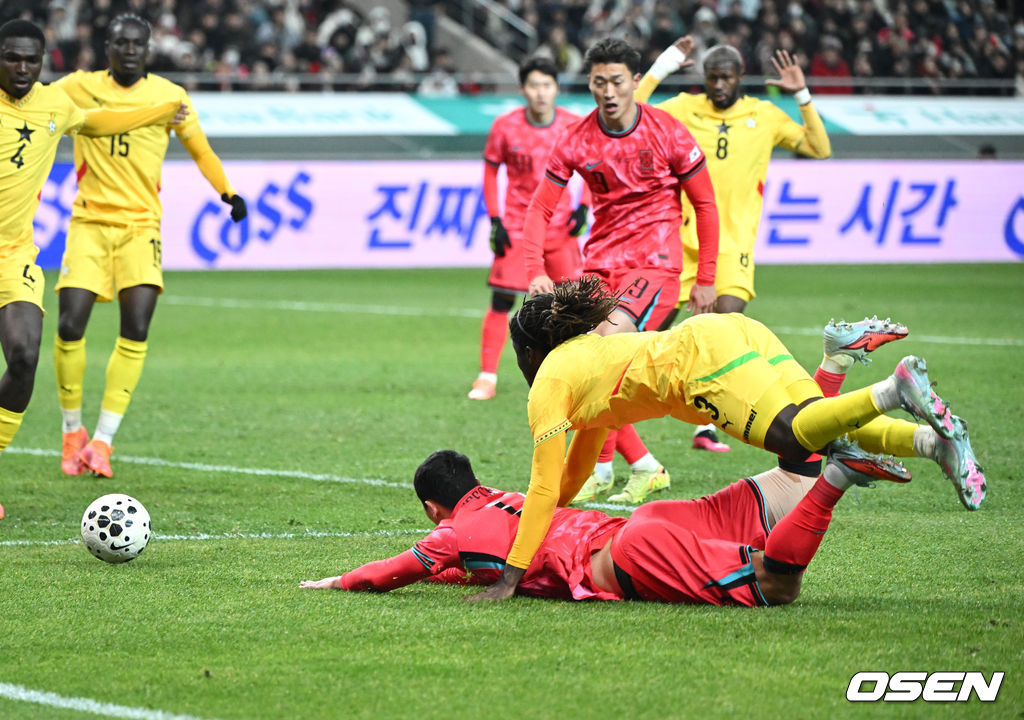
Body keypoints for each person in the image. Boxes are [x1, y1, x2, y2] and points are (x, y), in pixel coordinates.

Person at [463, 276, 986, 602]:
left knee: (797, 440)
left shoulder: (550, 382)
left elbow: (541, 488)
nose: (520, 368)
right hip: (733, 330)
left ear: (530, 353)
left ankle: (893, 388)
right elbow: (569, 478)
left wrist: (511, 576)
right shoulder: (584, 366)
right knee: (823, 419)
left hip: (699, 364)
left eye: (517, 359)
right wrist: (560, 517)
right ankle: (935, 442)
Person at [299, 442, 913, 606]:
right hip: (641, 523)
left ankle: (837, 477)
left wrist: (337, 581)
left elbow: (391, 574)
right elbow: (463, 571)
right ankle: (830, 373)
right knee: (775, 496)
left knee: (778, 587)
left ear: (435, 508)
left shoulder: (451, 533)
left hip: (632, 559)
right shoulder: (514, 497)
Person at [521, 38, 721, 505]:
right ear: (589, 84)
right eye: (598, 82)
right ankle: (641, 466)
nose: (607, 91)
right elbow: (539, 209)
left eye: (616, 81)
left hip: (655, 264)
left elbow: (706, 205)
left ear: (635, 81)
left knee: (607, 348)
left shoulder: (667, 132)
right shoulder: (575, 138)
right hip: (600, 266)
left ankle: (599, 467)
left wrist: (706, 278)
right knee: (573, 361)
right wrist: (536, 270)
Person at [51, 14, 247, 478]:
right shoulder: (77, 87)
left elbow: (200, 149)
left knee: (136, 327)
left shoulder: (170, 95)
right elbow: (35, 106)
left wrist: (227, 191)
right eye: (122, 42)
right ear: (107, 47)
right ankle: (71, 431)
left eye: (138, 43)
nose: (130, 49)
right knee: (69, 323)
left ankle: (102, 441)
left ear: (150, 48)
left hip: (141, 227)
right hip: (89, 222)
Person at [0, 19, 185, 496]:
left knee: (23, 355)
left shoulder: (55, 104)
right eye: (11, 57)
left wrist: (161, 110)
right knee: (66, 330)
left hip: (14, 255)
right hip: (83, 228)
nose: (21, 67)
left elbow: (101, 121)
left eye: (30, 59)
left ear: (43, 62)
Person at [635, 38, 831, 452]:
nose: (719, 85)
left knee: (725, 331)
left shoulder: (764, 114)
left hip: (733, 247)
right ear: (704, 78)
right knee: (644, 340)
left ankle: (706, 426)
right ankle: (624, 426)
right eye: (712, 78)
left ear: (740, 78)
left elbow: (820, 147)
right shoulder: (685, 108)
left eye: (726, 78)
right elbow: (630, 112)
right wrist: (662, 67)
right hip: (682, 242)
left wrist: (801, 93)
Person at [468, 56, 589, 401]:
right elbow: (491, 172)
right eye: (534, 85)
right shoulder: (505, 126)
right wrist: (495, 219)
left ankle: (577, 375)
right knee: (502, 299)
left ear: (556, 88)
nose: (540, 92)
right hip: (519, 228)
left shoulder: (571, 125)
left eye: (547, 85)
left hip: (561, 229)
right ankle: (487, 377)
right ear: (522, 89)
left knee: (574, 304)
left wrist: (583, 207)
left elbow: (592, 167)